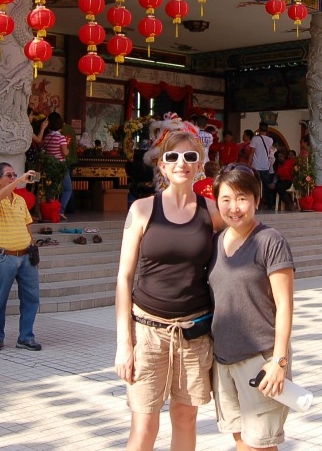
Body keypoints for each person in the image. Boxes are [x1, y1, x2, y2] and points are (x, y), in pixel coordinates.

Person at [114, 130, 224, 451]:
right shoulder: (143, 210)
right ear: (161, 165)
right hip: (148, 332)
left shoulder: (212, 211)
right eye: (172, 157)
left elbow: (240, 243)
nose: (181, 163)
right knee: (144, 426)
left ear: (200, 165)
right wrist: (125, 343)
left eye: (190, 157)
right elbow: (124, 277)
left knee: (186, 418)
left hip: (193, 333)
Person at [209, 165, 295, 451]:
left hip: (261, 360)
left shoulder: (270, 242)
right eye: (226, 199)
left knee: (261, 445)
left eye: (243, 198)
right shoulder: (216, 242)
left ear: (257, 200)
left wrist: (279, 362)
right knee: (241, 442)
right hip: (223, 360)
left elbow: (284, 305)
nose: (235, 208)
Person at [0, 163, 41, 353]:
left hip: (26, 256)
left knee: (31, 299)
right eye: (8, 175)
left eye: (14, 175)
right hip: (4, 257)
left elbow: (27, 226)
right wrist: (19, 181)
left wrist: (33, 249)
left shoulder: (20, 201)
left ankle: (26, 337)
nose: (13, 178)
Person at [41, 112, 72, 221]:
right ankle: (60, 211)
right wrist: (67, 146)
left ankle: (50, 211)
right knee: (67, 189)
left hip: (49, 166)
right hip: (60, 165)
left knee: (51, 189)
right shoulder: (61, 138)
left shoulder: (46, 137)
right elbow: (65, 153)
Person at [248, 123, 275, 209]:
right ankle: (270, 205)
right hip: (265, 166)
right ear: (267, 130)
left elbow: (252, 153)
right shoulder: (270, 140)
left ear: (259, 129)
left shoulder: (255, 139)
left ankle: (255, 204)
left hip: (255, 166)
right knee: (266, 186)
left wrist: (248, 165)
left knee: (254, 186)